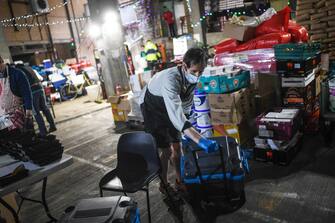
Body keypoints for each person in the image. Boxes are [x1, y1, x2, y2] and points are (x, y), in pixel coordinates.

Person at [140, 48, 218, 194]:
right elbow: (176, 116)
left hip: (172, 105)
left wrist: (187, 122)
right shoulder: (171, 79)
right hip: (153, 107)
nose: (197, 75)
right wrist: (200, 140)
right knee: (166, 150)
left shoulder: (193, 78)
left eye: (201, 71)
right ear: (184, 66)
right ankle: (163, 183)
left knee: (178, 147)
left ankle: (179, 180)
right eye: (194, 71)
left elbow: (186, 103)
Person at [17, 64, 56, 136]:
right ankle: (53, 126)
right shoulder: (30, 68)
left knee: (36, 112)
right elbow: (41, 78)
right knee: (45, 108)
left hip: (32, 92)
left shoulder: (19, 72)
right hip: (40, 88)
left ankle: (43, 132)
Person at [0, 56, 33, 132]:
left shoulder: (17, 74)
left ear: (2, 62)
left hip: (18, 115)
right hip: (3, 117)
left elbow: (27, 94)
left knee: (24, 139)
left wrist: (29, 115)